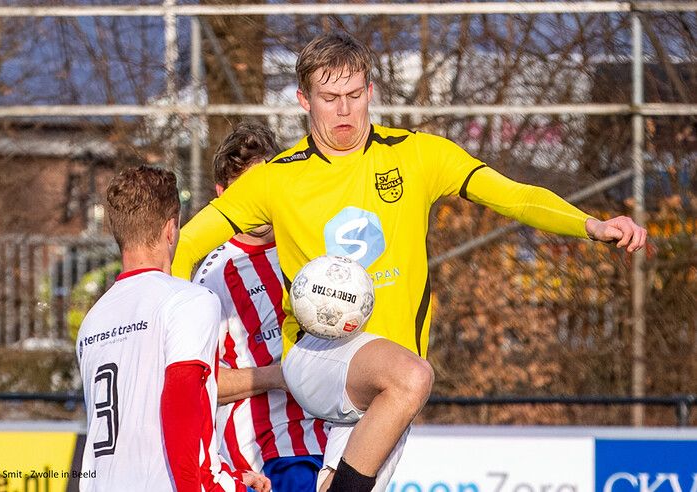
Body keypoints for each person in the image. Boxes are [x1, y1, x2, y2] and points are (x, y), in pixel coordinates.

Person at [173, 31, 647, 492]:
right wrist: (165, 323)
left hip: (386, 387)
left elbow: (512, 196)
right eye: (329, 96)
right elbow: (188, 243)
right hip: (317, 361)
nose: (344, 109)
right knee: (414, 375)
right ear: (303, 100)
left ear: (370, 92)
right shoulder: (276, 179)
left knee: (385, 413)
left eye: (355, 95)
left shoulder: (418, 155)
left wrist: (591, 225)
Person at [76, 165, 270, 492]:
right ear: (171, 229)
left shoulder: (92, 321)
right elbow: (183, 412)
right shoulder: (189, 300)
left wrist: (230, 476)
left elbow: (138, 429)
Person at [193, 122, 329, 491]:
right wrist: (280, 376)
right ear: (222, 195)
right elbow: (198, 382)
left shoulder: (308, 246)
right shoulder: (213, 276)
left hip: (330, 443)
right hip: (265, 455)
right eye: (243, 192)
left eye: (262, 188)